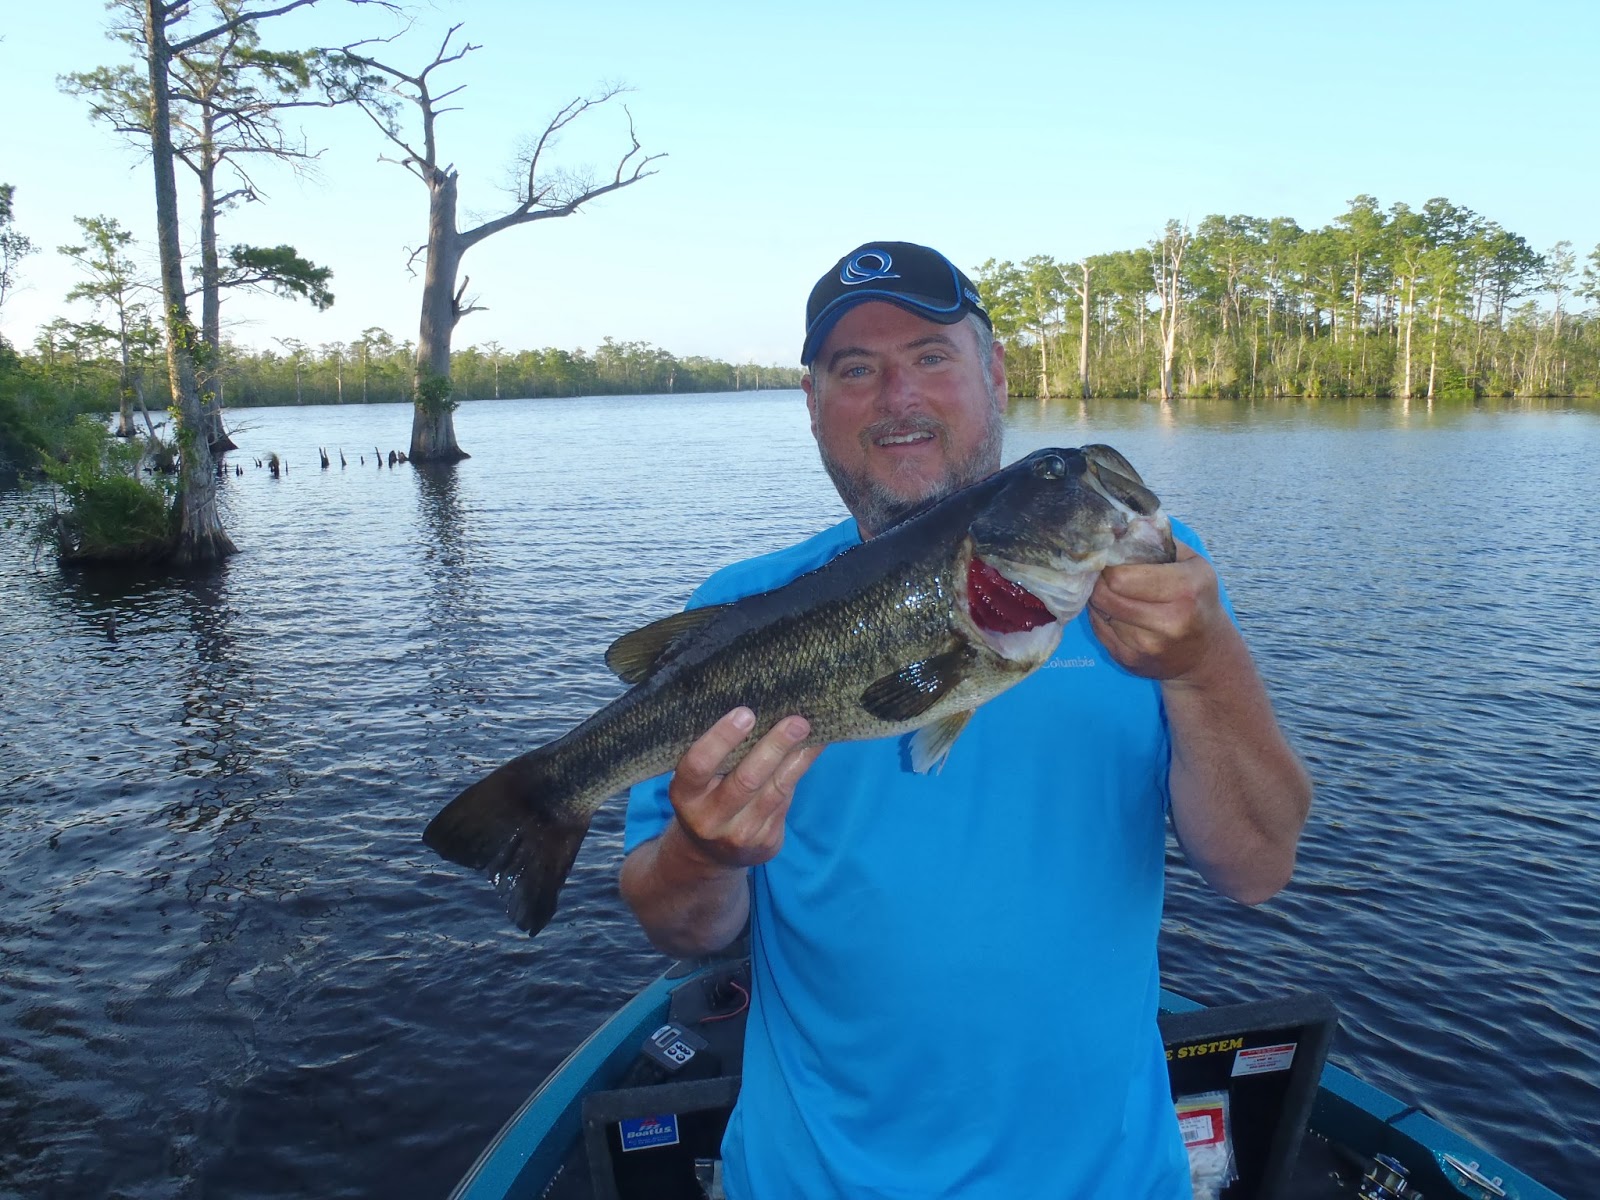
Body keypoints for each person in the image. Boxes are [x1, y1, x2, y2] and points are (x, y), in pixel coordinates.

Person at [620, 241, 1312, 1199]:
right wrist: (702, 849)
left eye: (932, 357)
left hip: (1108, 1179)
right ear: (813, 406)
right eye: (856, 369)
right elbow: (682, 927)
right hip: (812, 1179)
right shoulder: (740, 610)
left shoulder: (1158, 591)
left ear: (992, 375)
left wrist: (1201, 668)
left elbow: (1258, 867)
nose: (897, 395)